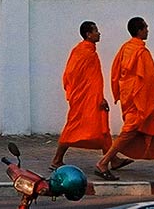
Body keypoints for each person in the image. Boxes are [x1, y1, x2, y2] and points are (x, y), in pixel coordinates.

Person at [95, 16, 154, 180]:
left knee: (153, 130)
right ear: (139, 30)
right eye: (145, 28)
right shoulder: (141, 52)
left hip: (132, 96)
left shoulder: (125, 48)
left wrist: (120, 93)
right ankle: (104, 162)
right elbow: (152, 78)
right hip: (139, 100)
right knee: (128, 132)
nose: (148, 30)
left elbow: (116, 73)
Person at [50, 21, 117, 170]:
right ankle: (56, 159)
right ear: (88, 34)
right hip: (85, 98)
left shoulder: (84, 51)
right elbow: (74, 75)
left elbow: (90, 78)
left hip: (90, 96)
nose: (99, 33)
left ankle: (114, 158)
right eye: (96, 31)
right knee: (73, 127)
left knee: (102, 126)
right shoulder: (84, 52)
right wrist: (96, 97)